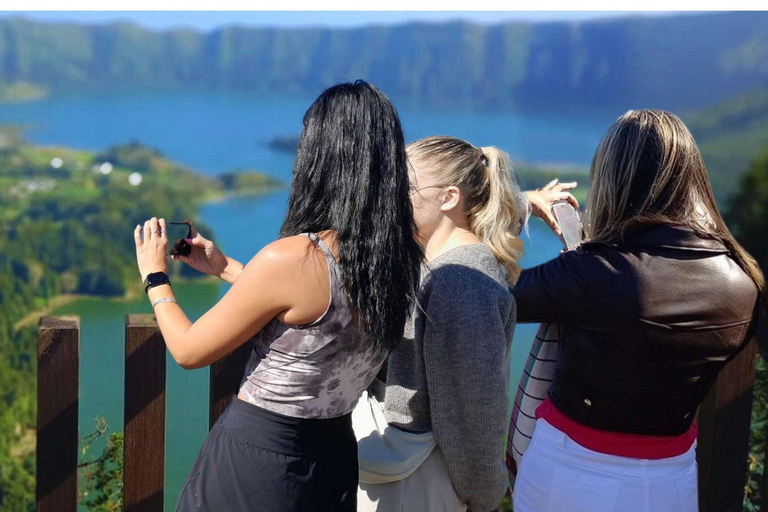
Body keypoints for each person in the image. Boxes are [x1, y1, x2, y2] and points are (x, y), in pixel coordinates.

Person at [133, 80, 423, 512]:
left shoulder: (293, 257)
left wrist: (155, 277)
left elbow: (189, 351)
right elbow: (317, 315)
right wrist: (225, 267)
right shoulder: (398, 259)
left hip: (257, 462)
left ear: (322, 157)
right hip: (333, 459)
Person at [511, 109, 764, 512]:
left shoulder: (591, 271)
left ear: (616, 177)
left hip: (568, 477)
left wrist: (521, 206)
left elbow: (488, 295)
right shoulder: (742, 280)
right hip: (672, 482)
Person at [356, 135, 577, 512]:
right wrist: (528, 202)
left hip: (420, 485)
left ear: (448, 198)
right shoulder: (438, 260)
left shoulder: (463, 282)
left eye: (401, 187)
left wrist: (484, 496)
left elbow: (473, 414)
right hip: (420, 479)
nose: (387, 198)